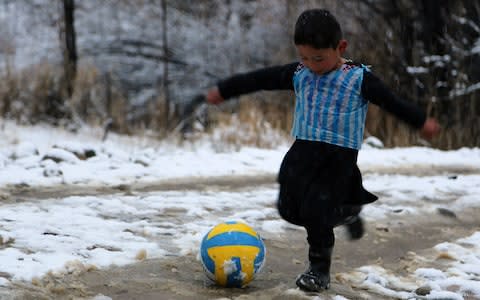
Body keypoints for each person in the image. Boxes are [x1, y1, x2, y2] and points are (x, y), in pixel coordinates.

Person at [205, 8, 440, 292]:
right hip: (303, 150)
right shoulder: (299, 73)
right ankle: (347, 210)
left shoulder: (358, 78)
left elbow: (391, 101)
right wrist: (225, 90)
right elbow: (259, 79)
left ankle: (319, 269)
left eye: (319, 58)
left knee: (315, 210)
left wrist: (419, 121)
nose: (311, 65)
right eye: (304, 57)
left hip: (337, 158)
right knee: (289, 208)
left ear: (340, 47)